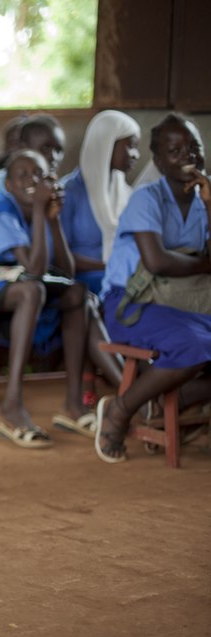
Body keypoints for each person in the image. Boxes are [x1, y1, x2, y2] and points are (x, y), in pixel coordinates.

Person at [0, 150, 121, 448]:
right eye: (23, 176)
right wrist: (44, 210)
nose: (32, 181)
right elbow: (33, 271)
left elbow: (67, 273)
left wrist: (52, 220)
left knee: (78, 293)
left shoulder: (39, 213)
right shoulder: (0, 208)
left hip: (9, 285)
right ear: (9, 185)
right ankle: (12, 406)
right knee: (33, 290)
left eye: (39, 175)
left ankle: (73, 404)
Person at [95, 113, 211, 464]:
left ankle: (166, 401)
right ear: (159, 161)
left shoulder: (204, 199)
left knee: (199, 341)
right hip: (133, 305)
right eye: (175, 151)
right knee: (195, 344)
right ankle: (121, 408)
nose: (187, 157)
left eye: (195, 148)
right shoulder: (147, 198)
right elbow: (157, 261)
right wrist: (206, 265)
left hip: (185, 300)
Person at [59, 110, 141, 295]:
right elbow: (57, 255)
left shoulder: (125, 193)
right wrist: (108, 266)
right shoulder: (69, 192)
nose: (136, 155)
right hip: (84, 279)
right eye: (130, 146)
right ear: (106, 144)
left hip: (121, 274)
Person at [0, 115, 65, 230]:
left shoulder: (52, 190)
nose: (54, 157)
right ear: (23, 148)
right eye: (45, 148)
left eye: (58, 150)